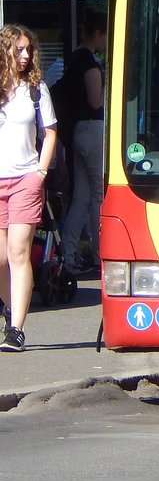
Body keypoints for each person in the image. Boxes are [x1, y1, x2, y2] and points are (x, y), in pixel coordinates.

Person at [0, 24, 58, 353]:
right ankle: (12, 308)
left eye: (28, 50)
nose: (25, 56)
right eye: (18, 49)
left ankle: (16, 329)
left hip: (25, 179)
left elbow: (50, 133)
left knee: (18, 253)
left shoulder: (35, 89)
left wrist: (39, 172)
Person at [60, 12, 107, 274]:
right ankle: (102, 253)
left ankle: (69, 254)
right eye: (104, 36)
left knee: (80, 196)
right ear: (97, 34)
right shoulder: (89, 64)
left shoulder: (74, 59)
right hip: (92, 129)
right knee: (98, 197)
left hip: (77, 132)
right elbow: (96, 102)